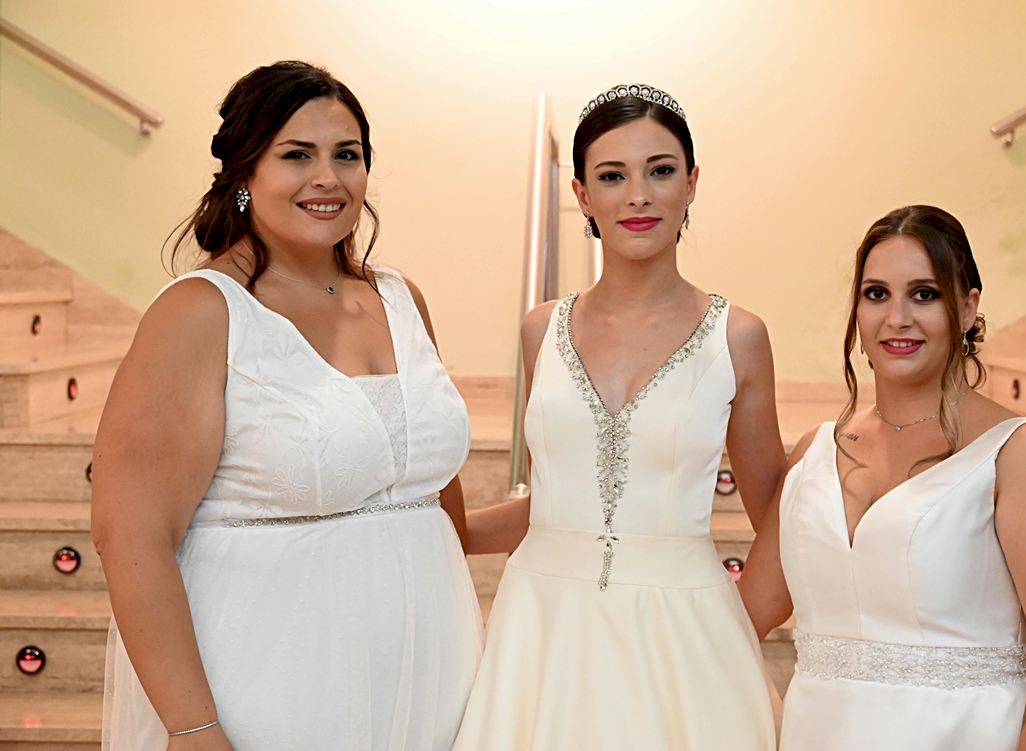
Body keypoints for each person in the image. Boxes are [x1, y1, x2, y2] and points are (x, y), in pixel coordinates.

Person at [91, 61, 481, 750]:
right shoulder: (201, 313)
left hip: (432, 672)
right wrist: (192, 726)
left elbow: (427, 501)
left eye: (347, 155)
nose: (327, 177)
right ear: (244, 172)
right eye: (297, 155)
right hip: (272, 677)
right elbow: (130, 533)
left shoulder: (400, 298)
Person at [454, 84, 783, 750]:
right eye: (612, 176)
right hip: (541, 636)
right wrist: (435, 528)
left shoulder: (737, 337)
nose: (637, 195)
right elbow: (560, 504)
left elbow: (778, 510)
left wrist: (734, 621)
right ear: (582, 194)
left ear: (691, 184)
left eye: (659, 171)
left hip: (685, 640)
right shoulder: (540, 329)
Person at [741, 204, 1026, 750]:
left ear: (968, 307)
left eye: (924, 294)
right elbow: (750, 611)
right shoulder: (813, 454)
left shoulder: (1021, 454)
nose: (897, 318)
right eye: (876, 294)